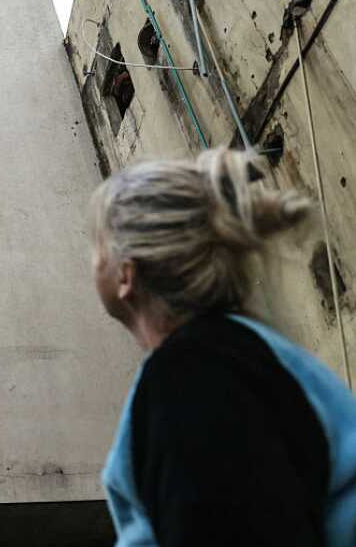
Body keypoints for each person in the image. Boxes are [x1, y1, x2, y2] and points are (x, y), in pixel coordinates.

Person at [91, 148, 356, 547]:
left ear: (126, 275)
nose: (92, 261)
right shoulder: (227, 356)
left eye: (98, 246)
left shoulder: (194, 374)